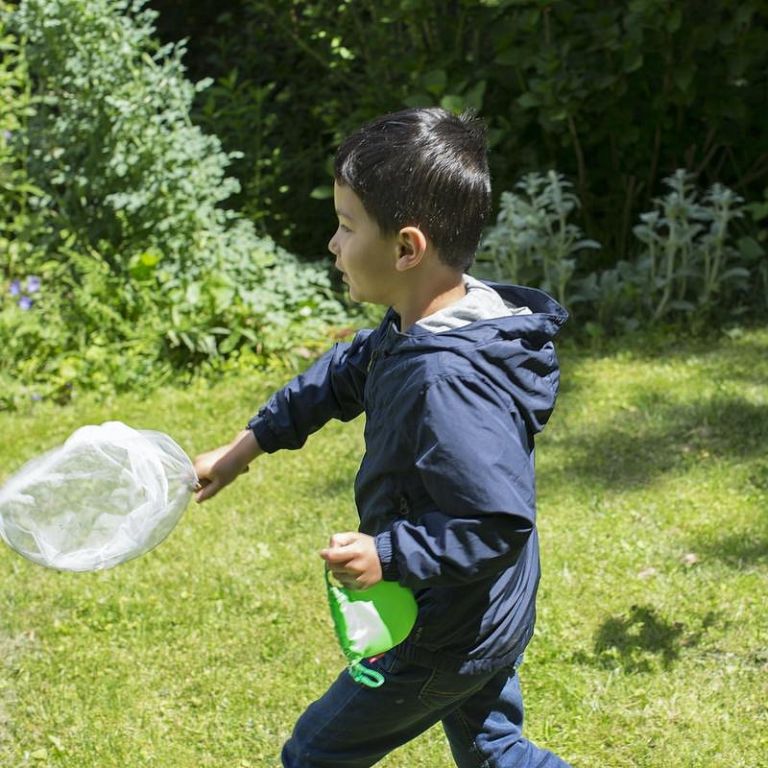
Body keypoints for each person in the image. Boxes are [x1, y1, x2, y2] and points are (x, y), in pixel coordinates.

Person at [193, 107, 572, 768]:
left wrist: (388, 554)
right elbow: (343, 374)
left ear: (406, 248)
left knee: (315, 753)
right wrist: (245, 446)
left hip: (444, 628)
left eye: (345, 227)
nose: (333, 244)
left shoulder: (447, 379)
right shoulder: (430, 319)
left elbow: (496, 518)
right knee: (494, 750)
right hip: (482, 609)